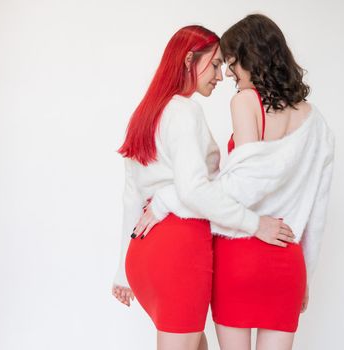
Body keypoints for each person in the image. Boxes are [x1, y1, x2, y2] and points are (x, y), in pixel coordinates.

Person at [136, 14, 335, 350]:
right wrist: (306, 279)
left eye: (230, 63)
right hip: (288, 260)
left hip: (240, 254)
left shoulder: (246, 101)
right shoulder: (318, 125)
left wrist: (166, 199)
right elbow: (316, 214)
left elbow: (243, 186)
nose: (228, 74)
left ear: (250, 57)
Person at [112, 24, 292, 350]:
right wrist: (255, 224)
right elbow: (194, 190)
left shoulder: (147, 113)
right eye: (216, 63)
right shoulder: (184, 110)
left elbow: (132, 197)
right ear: (189, 60)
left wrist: (122, 271)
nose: (221, 75)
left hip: (143, 254)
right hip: (179, 247)